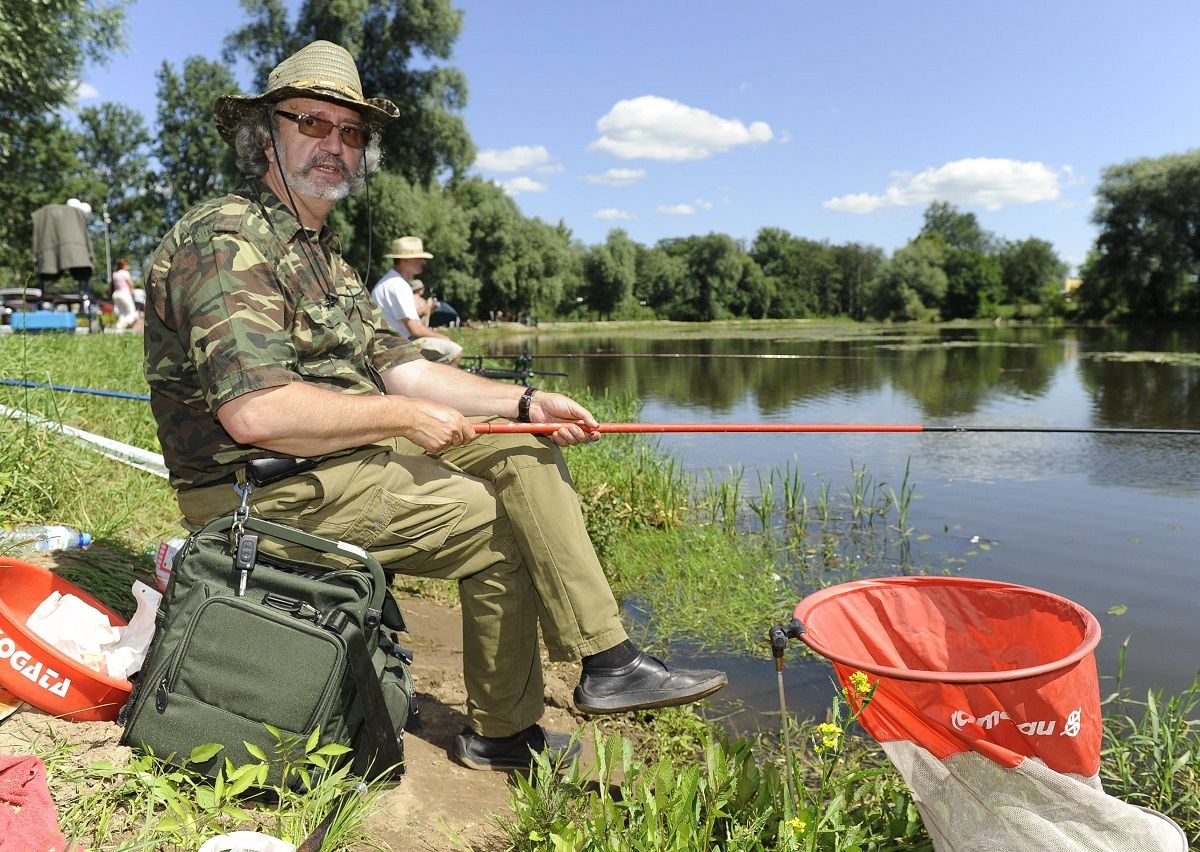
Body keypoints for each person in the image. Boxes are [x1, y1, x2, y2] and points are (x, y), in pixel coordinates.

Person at [142, 40, 726, 772]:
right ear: (265, 134)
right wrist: (398, 419)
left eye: (352, 132)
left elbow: (410, 374)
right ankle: (505, 736)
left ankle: (609, 661)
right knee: (497, 527)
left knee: (522, 444)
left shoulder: (326, 259)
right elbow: (258, 414)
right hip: (259, 490)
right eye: (313, 123)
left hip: (335, 461)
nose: (336, 145)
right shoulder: (228, 239)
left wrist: (525, 400)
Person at [371, 236, 463, 366]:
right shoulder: (398, 285)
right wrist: (445, 338)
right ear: (404, 260)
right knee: (454, 350)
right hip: (395, 346)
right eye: (418, 258)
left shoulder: (390, 281)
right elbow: (415, 330)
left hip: (386, 343)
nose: (423, 262)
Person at [110, 258, 138, 330]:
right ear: (124, 265)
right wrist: (133, 294)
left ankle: (119, 329)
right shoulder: (125, 273)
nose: (128, 267)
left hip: (116, 295)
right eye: (127, 265)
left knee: (122, 314)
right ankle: (121, 326)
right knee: (132, 314)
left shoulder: (114, 274)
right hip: (125, 294)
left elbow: (112, 286)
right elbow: (131, 285)